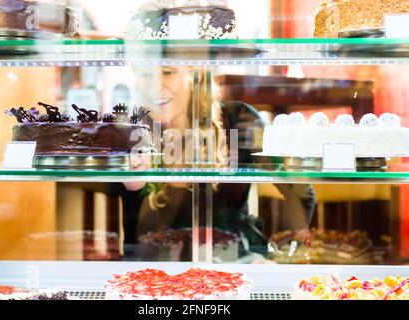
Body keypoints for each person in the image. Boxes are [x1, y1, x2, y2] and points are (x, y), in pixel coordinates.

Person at [107, 66, 316, 259]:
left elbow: (299, 193)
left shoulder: (236, 120)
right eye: (145, 73)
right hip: (151, 274)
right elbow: (126, 228)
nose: (154, 84)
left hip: (232, 265)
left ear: (196, 75)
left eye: (168, 72)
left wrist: (279, 256)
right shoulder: (129, 132)